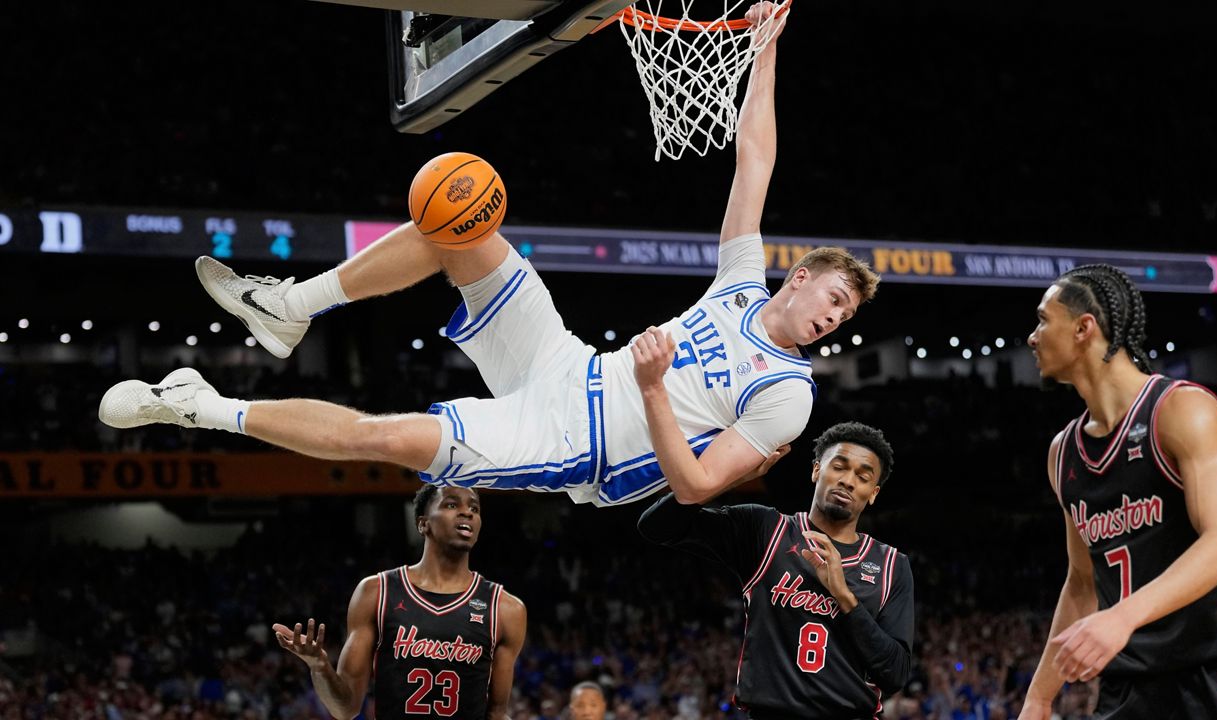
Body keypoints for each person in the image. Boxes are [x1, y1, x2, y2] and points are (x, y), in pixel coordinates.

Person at [98, 2, 879, 508]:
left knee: (383, 438)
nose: (834, 319)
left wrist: (650, 389)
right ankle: (288, 309)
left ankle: (197, 405)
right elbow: (754, 161)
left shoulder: (790, 395)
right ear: (800, 277)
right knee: (462, 212)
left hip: (575, 444)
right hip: (569, 363)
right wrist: (765, 51)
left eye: (843, 316)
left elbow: (697, 484)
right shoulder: (742, 285)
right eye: (836, 299)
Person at [1019, 264, 1217, 719]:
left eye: (1043, 320)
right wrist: (1039, 697)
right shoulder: (1063, 453)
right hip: (1129, 689)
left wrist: (1122, 617)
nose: (1032, 337)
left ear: (1083, 328)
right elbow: (1082, 583)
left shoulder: (1182, 410)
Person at [637, 421, 914, 719]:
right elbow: (656, 527)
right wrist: (723, 480)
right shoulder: (766, 530)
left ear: (873, 493)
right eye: (839, 467)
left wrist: (844, 597)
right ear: (816, 470)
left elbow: (895, 674)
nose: (848, 481)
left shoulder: (891, 565)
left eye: (863, 477)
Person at [273, 484, 526, 720]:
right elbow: (345, 709)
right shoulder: (376, 592)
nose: (467, 513)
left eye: (474, 508)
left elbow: (496, 714)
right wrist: (319, 667)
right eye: (451, 505)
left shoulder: (505, 609)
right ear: (423, 524)